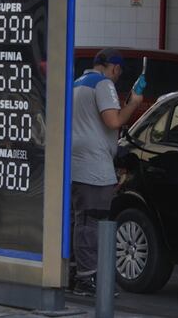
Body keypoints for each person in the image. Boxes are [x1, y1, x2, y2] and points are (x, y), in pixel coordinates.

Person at [71, 48, 145, 297]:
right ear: (115, 68)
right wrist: (134, 103)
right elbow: (113, 121)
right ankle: (88, 278)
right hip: (94, 167)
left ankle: (75, 273)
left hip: (75, 165)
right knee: (92, 222)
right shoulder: (103, 84)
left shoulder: (78, 83)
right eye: (118, 72)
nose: (117, 76)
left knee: (79, 221)